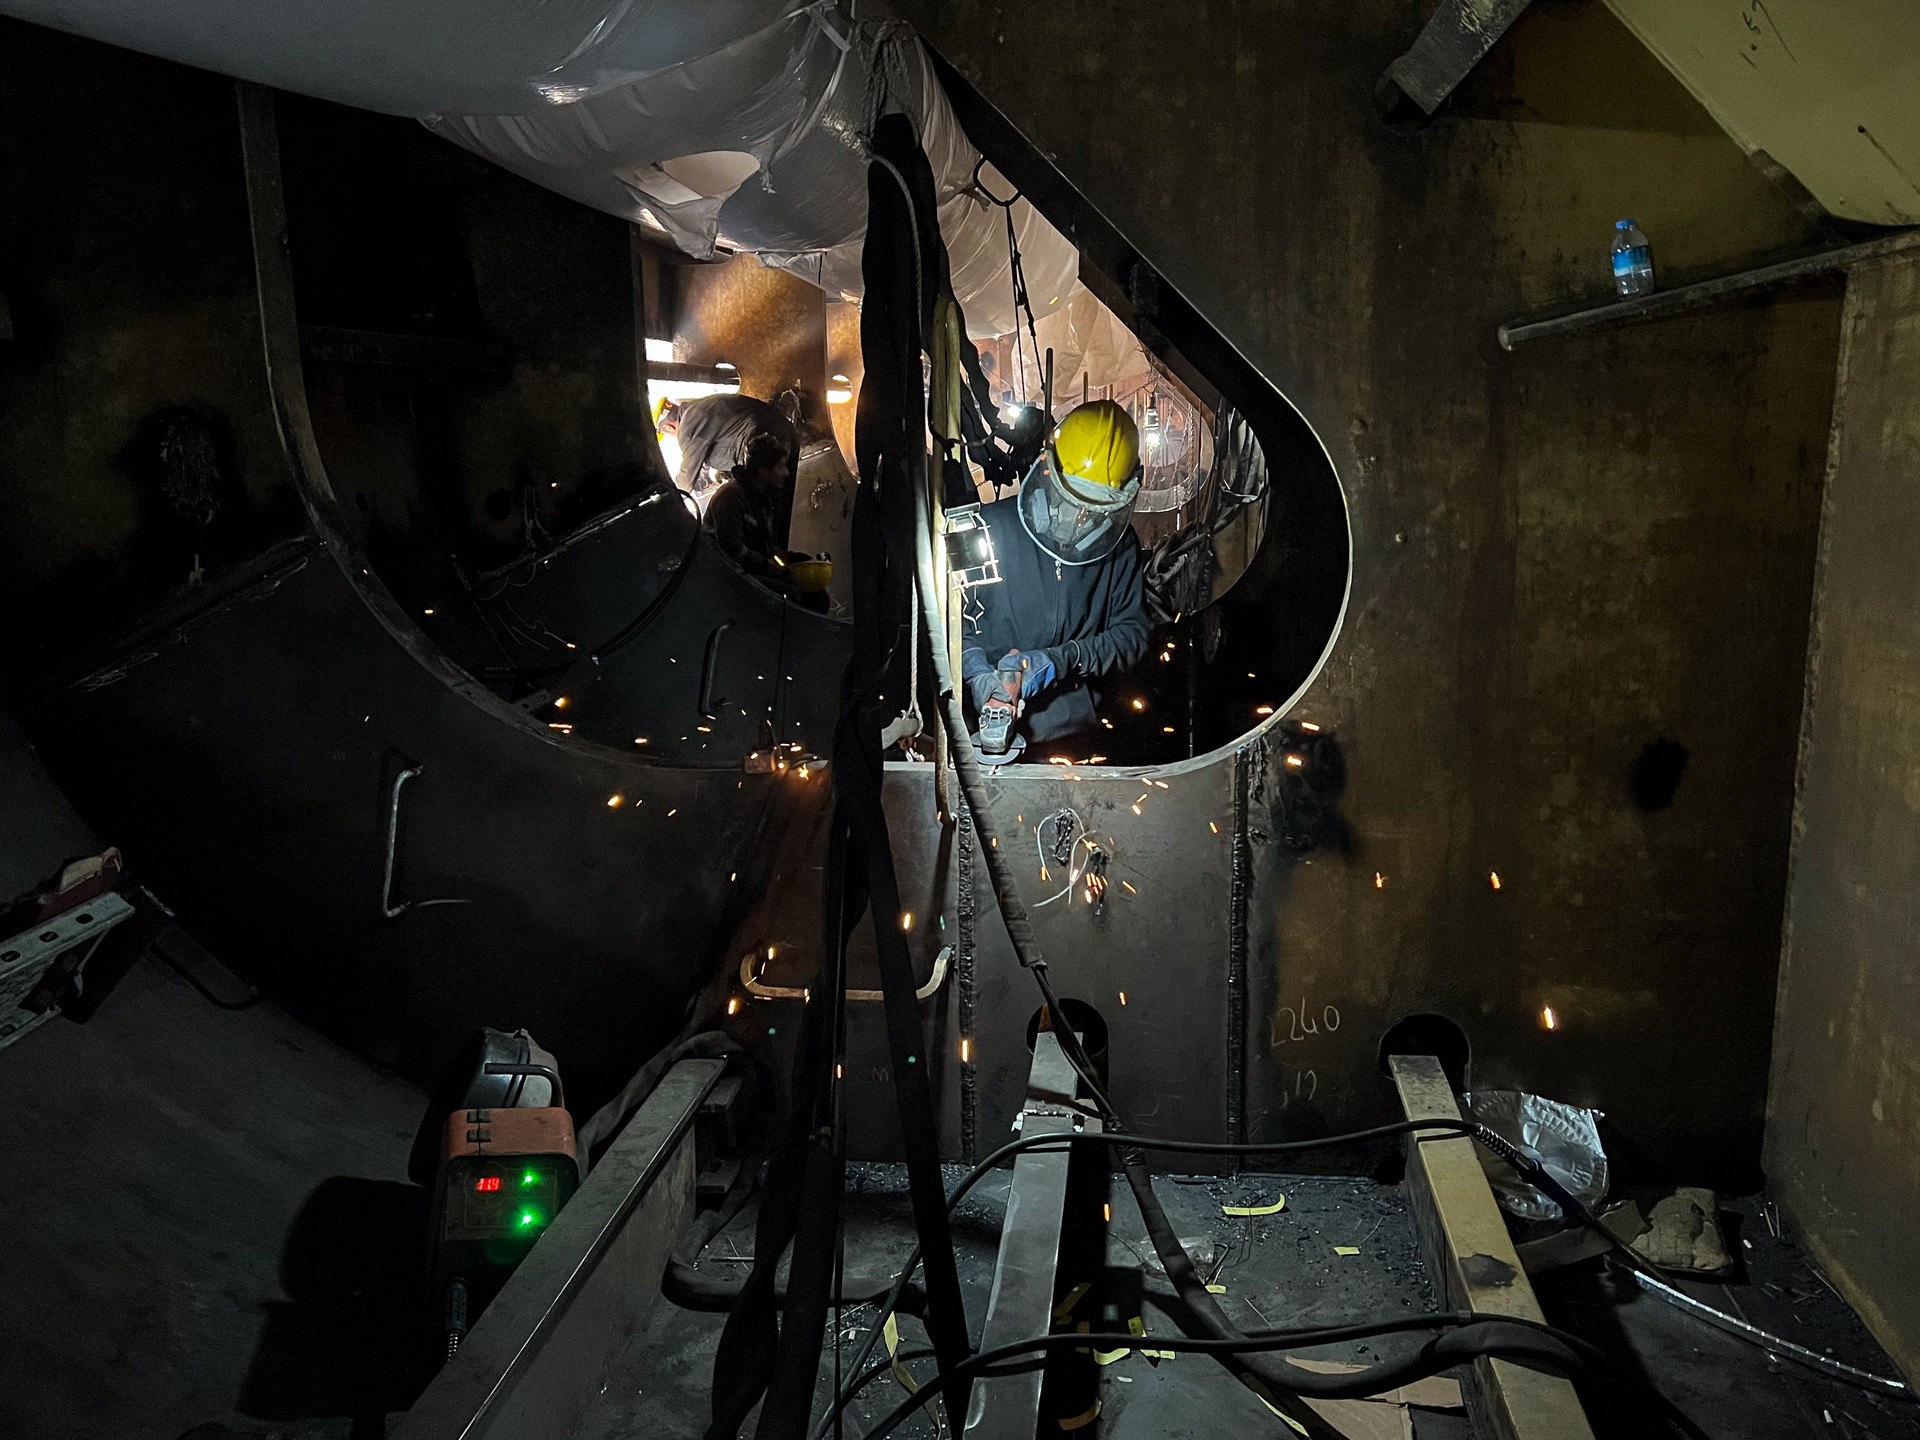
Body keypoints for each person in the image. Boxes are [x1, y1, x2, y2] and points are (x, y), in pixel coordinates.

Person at [961, 399, 1150, 748]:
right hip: (976, 728)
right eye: (1069, 499)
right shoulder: (989, 529)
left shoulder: (1120, 547)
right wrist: (974, 671)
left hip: (1074, 736)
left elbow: (1132, 635)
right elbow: (946, 624)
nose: (1078, 521)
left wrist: (1064, 659)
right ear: (1045, 465)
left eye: (1094, 510)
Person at [659, 392, 799, 543]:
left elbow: (685, 481)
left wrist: (665, 505)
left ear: (667, 427)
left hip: (762, 439)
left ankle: (765, 559)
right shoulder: (698, 408)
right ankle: (775, 556)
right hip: (782, 430)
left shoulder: (688, 425)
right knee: (778, 509)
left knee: (759, 510)